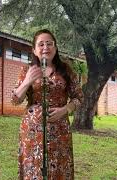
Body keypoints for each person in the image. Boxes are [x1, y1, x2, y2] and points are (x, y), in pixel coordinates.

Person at [11, 29, 83, 179]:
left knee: (59, 167)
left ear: (55, 48)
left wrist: (65, 110)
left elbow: (79, 98)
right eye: (41, 44)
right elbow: (15, 100)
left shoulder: (66, 70)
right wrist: (27, 81)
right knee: (33, 168)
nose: (45, 47)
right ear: (34, 50)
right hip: (32, 130)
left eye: (50, 44)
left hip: (59, 130)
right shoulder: (27, 70)